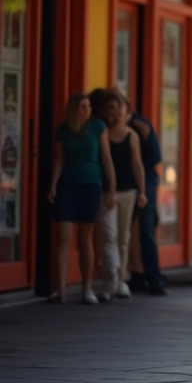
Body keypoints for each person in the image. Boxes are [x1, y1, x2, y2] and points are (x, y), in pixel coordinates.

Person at [48, 93, 115, 304]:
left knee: (85, 239)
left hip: (91, 185)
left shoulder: (97, 127)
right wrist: (53, 185)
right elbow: (59, 159)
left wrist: (111, 188)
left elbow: (106, 158)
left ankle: (86, 289)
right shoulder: (63, 130)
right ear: (73, 109)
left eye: (88, 106)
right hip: (67, 185)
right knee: (64, 236)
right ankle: (61, 289)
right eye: (82, 107)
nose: (86, 110)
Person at [96, 94, 147, 301]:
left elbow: (137, 164)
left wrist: (142, 191)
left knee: (123, 238)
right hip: (105, 191)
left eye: (119, 108)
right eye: (110, 108)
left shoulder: (131, 135)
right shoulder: (101, 132)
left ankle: (121, 280)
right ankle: (111, 279)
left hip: (128, 191)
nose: (115, 112)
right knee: (108, 236)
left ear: (125, 111)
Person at [127, 105, 165, 296]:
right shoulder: (108, 127)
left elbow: (155, 159)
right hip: (125, 182)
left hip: (145, 180)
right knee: (131, 230)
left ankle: (153, 277)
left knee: (145, 228)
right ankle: (138, 273)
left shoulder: (141, 125)